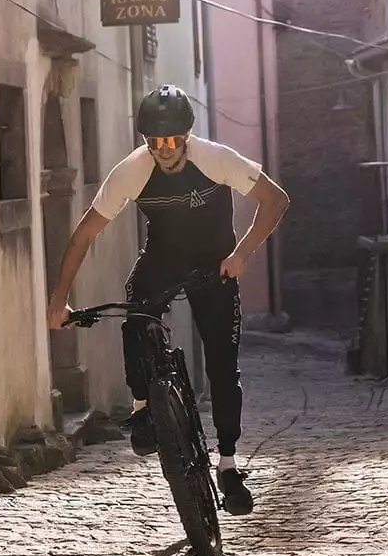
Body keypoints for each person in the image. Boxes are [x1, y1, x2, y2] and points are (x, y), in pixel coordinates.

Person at [47, 84, 289, 515]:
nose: (164, 149)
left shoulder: (215, 158)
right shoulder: (133, 171)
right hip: (162, 259)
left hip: (215, 264)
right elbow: (84, 235)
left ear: (187, 136)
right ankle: (143, 404)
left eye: (173, 140)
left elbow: (275, 200)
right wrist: (58, 301)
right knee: (136, 309)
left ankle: (228, 464)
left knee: (221, 363)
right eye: (154, 141)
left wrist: (240, 255)